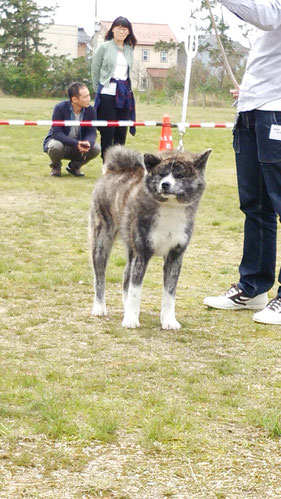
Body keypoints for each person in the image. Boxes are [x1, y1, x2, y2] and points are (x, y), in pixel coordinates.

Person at [203, 1, 281, 324]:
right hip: (253, 109)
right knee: (256, 206)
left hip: (275, 109)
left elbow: (267, 16)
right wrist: (246, 91)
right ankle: (253, 288)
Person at [91, 16, 137, 162]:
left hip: (124, 94)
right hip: (107, 93)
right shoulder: (104, 47)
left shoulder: (129, 50)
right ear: (113, 30)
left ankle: (118, 163)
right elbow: (95, 69)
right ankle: (106, 164)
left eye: (124, 29)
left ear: (128, 31)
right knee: (108, 130)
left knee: (121, 130)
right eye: (118, 28)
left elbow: (128, 72)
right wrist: (97, 88)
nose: (121, 31)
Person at [43, 82, 100, 177]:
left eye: (89, 95)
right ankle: (56, 167)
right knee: (55, 146)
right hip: (61, 144)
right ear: (74, 99)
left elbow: (92, 131)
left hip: (79, 145)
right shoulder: (60, 108)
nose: (89, 99)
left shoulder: (91, 110)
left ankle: (74, 167)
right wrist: (76, 144)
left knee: (96, 148)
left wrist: (87, 142)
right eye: (85, 97)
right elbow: (57, 133)